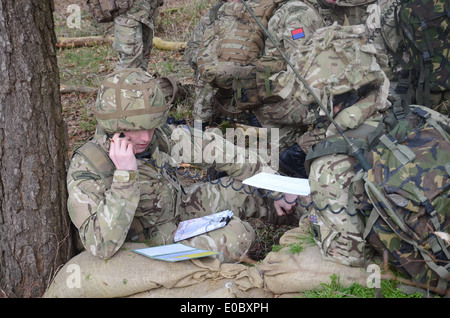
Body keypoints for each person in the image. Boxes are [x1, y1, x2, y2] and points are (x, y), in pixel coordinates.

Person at [66, 68, 298, 262]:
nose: (146, 137)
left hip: (175, 209)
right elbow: (101, 245)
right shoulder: (89, 166)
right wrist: (125, 176)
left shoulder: (159, 137)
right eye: (136, 129)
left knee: (249, 189)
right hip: (147, 247)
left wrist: (278, 187)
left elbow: (222, 151)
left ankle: (308, 215)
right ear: (112, 126)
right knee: (239, 235)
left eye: (151, 125)